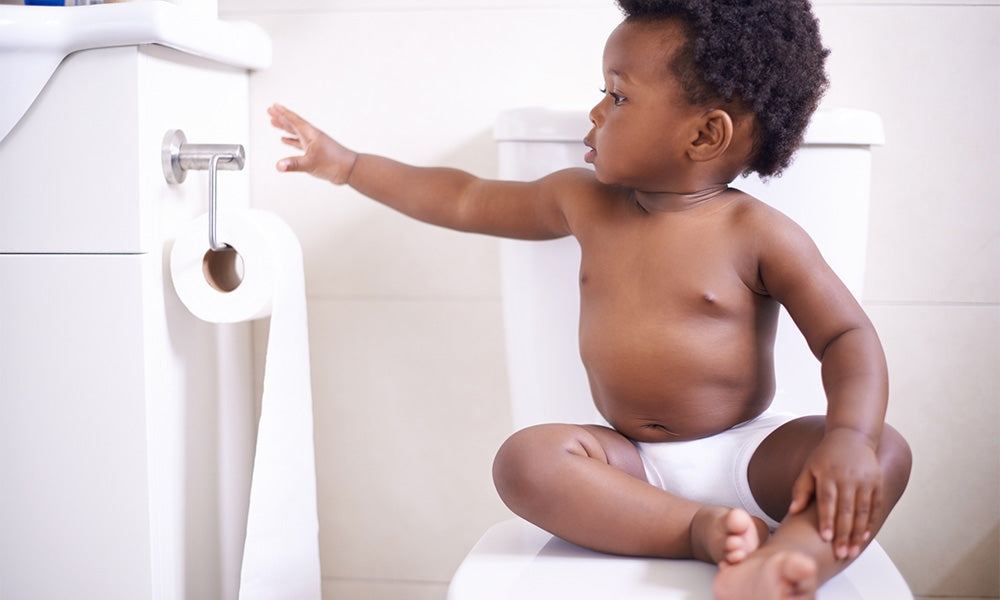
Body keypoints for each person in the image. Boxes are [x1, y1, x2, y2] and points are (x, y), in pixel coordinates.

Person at [268, 0, 911, 597]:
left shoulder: (760, 234)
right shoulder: (583, 202)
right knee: (526, 461)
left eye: (618, 94)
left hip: (751, 454)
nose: (597, 111)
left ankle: (791, 558)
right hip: (628, 468)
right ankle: (697, 531)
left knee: (885, 451)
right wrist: (349, 165)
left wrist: (850, 436)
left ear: (703, 137)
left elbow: (845, 337)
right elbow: (464, 198)